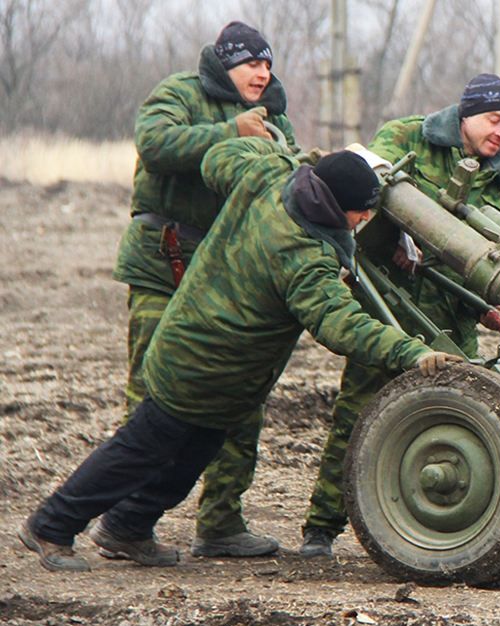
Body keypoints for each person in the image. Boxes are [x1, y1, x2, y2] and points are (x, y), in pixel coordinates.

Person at [18, 141, 460, 572]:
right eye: (361, 209)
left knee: (190, 457)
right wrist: (411, 352)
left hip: (211, 366)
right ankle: (51, 525)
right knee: (138, 451)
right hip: (200, 364)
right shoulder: (302, 254)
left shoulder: (268, 176)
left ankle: (127, 527)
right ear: (334, 204)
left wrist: (278, 149)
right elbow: (341, 322)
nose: (366, 218)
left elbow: (218, 157)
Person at [298, 73, 500, 557]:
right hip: (391, 303)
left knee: (463, 415)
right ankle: (321, 529)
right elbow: (368, 188)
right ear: (465, 115)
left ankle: (444, 528)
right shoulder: (407, 137)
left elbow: (493, 246)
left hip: (451, 320)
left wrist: (486, 305)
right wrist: (403, 237)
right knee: (359, 413)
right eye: (493, 119)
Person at [112, 21, 296, 559]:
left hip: (226, 275)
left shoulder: (276, 118)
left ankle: (220, 523)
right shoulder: (179, 93)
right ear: (223, 65)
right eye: (250, 65)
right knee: (151, 394)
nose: (262, 73)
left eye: (267, 64)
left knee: (238, 395)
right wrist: (230, 133)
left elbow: (288, 180)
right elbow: (156, 142)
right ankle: (126, 524)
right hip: (162, 264)